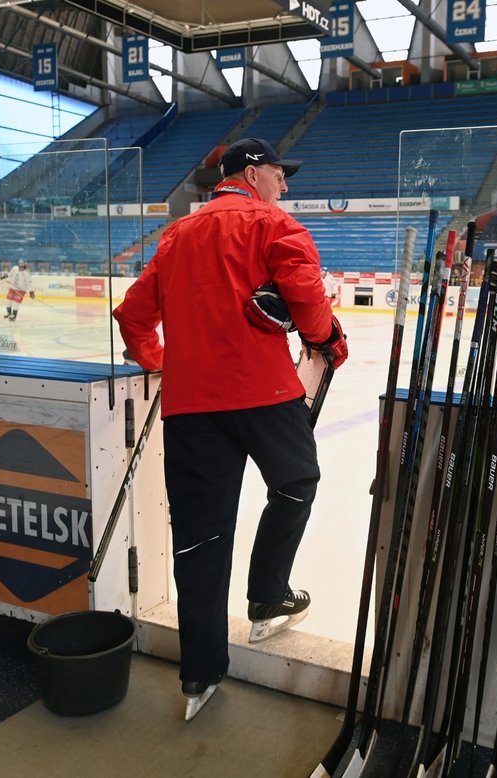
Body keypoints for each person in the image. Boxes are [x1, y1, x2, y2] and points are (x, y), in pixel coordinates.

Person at [111, 137, 348, 721]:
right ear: (251, 171)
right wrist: (327, 342)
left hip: (192, 408)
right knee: (296, 483)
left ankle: (199, 676)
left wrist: (162, 362)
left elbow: (133, 315)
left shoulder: (175, 237)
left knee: (199, 535)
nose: (284, 185)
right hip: (266, 395)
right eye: (278, 173)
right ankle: (268, 595)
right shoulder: (273, 224)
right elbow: (307, 297)